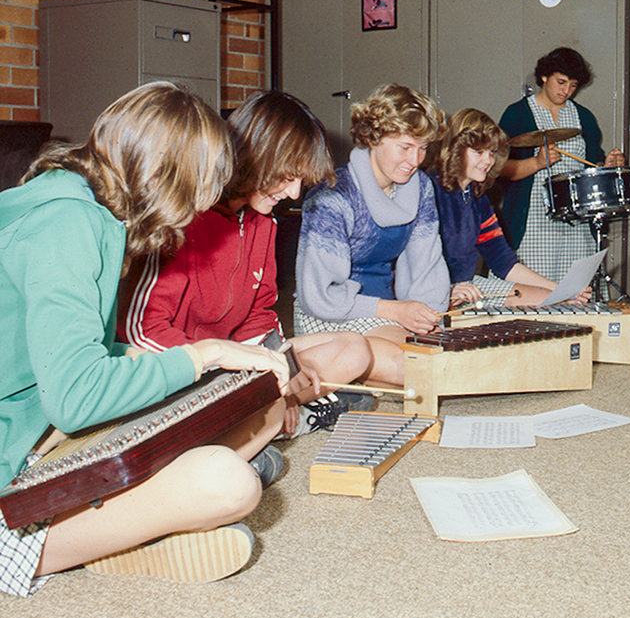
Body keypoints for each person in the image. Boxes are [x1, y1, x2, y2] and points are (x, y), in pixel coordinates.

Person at [0, 82, 292, 597]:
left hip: (32, 427)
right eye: (197, 190)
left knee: (251, 413)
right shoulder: (66, 223)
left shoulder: (85, 208)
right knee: (227, 483)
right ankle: (101, 542)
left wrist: (164, 361)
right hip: (16, 454)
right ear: (161, 177)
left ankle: (126, 531)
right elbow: (75, 397)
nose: (197, 209)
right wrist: (201, 354)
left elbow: (61, 352)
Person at [118, 90, 374, 435]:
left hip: (233, 360)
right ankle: (268, 423)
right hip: (180, 363)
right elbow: (141, 331)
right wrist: (226, 364)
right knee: (233, 400)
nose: (294, 193)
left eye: (300, 181)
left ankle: (268, 419)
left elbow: (258, 316)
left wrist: (283, 369)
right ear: (255, 157)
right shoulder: (183, 216)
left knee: (354, 349)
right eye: (288, 177)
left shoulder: (263, 222)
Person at [294, 84, 450, 386]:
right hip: (329, 312)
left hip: (386, 311)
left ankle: (355, 380)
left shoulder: (421, 187)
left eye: (423, 148)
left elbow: (426, 266)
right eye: (405, 147)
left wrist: (428, 317)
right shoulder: (332, 197)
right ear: (373, 138)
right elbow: (319, 295)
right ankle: (340, 371)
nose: (415, 160)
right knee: (415, 368)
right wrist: (395, 311)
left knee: (441, 359)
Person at [426, 108, 589, 308]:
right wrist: (446, 291)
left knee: (551, 300)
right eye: (479, 152)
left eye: (492, 152)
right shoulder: (429, 190)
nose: (488, 161)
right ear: (455, 149)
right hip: (432, 289)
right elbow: (415, 262)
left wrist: (562, 290)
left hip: (467, 285)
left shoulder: (478, 198)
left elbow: (503, 262)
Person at [497, 47, 625, 283]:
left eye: (573, 86)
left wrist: (605, 166)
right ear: (544, 76)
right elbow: (499, 168)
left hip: (575, 224)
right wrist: (537, 163)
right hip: (533, 223)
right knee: (534, 290)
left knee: (576, 288)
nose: (566, 91)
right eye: (561, 82)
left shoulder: (584, 117)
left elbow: (592, 163)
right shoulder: (517, 114)